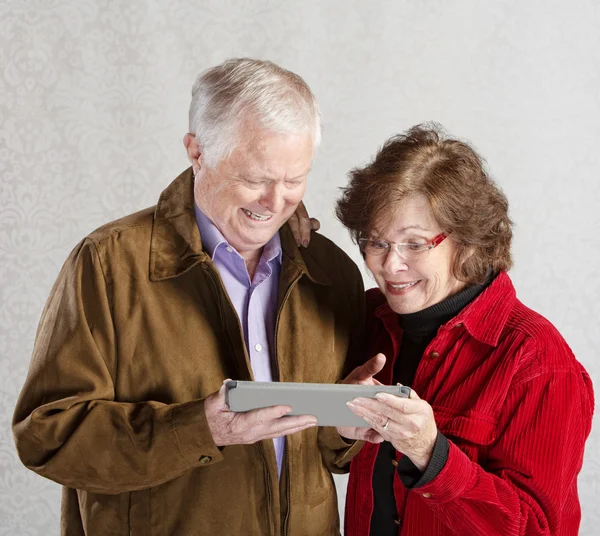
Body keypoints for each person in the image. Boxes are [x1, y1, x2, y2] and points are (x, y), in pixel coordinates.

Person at [12, 58, 383, 536]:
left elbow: (325, 451)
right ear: (197, 151)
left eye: (294, 180)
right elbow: (47, 436)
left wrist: (344, 426)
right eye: (255, 178)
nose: (275, 202)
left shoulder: (330, 272)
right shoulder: (107, 265)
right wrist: (200, 429)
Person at [292, 124, 594, 535]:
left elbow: (537, 529)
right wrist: (277, 230)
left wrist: (430, 453)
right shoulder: (371, 321)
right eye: (376, 242)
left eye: (414, 244)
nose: (389, 265)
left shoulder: (538, 360)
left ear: (468, 242)